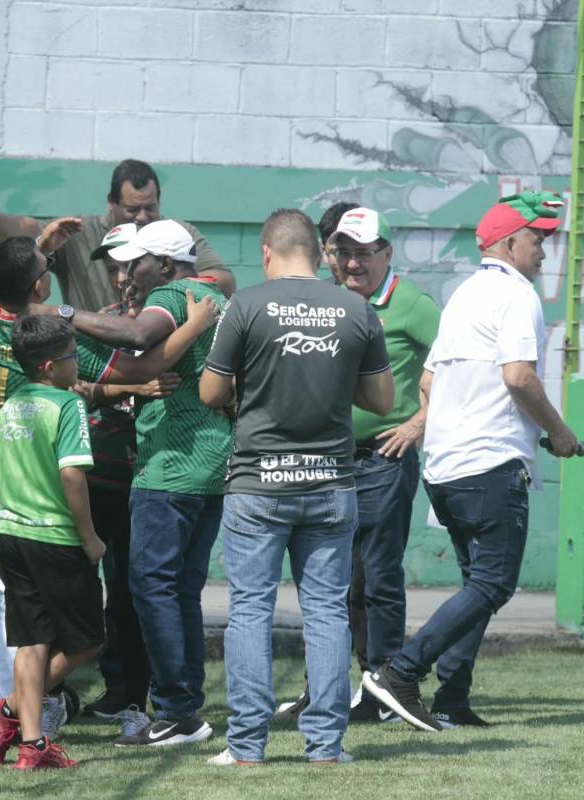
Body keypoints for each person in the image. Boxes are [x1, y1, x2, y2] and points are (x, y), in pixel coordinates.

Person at [0, 229, 219, 765]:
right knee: (18, 618)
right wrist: (193, 326)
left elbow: (7, 275)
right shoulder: (50, 337)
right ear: (41, 284)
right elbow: (144, 367)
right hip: (12, 501)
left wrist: (40, 247)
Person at [363, 190, 580, 732]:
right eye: (537, 239)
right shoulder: (516, 295)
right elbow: (519, 377)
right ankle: (400, 674)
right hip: (489, 465)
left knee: (475, 584)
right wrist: (559, 432)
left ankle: (452, 698)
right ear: (509, 244)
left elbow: (432, 380)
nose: (544, 251)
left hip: (445, 467)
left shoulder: (463, 294)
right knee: (493, 584)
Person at [198, 209, 394, 766]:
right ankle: (326, 747)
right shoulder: (357, 309)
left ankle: (246, 748)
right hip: (331, 482)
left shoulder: (246, 306)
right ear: (320, 252)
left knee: (251, 611)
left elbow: (211, 392)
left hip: (258, 484)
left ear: (267, 252)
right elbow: (382, 401)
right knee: (329, 612)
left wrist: (254, 387)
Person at [43, 219, 232, 747]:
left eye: (137, 262)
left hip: (168, 469)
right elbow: (139, 364)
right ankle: (183, 708)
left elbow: (139, 339)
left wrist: (57, 311)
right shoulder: (211, 300)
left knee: (149, 586)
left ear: (164, 266)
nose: (126, 273)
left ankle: (173, 710)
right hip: (208, 466)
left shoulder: (172, 296)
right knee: (179, 592)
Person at [277, 208, 441, 723]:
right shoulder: (325, 301)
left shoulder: (412, 305)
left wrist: (419, 423)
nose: (353, 263)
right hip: (323, 458)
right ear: (328, 254)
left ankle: (383, 687)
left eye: (364, 253)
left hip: (382, 460)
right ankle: (322, 688)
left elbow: (461, 367)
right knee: (326, 579)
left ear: (387, 254)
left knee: (377, 576)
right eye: (343, 252)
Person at [0, 315, 107, 771]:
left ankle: (32, 744)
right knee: (88, 641)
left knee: (32, 640)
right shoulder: (66, 406)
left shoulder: (12, 402)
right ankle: (8, 710)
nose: (78, 363)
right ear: (47, 368)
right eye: (72, 356)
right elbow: (71, 475)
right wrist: (89, 537)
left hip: (11, 535)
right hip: (55, 538)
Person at [74, 223, 160, 727]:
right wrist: (129, 388)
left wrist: (142, 386)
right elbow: (76, 384)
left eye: (128, 265)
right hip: (94, 477)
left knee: (134, 590)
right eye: (113, 266)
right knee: (85, 588)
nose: (120, 276)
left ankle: (135, 692)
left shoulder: (167, 324)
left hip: (147, 478)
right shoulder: (98, 323)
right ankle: (103, 688)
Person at [0, 158, 235, 310]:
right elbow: (29, 234)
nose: (142, 217)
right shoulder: (78, 234)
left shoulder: (177, 233)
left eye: (150, 208)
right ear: (112, 201)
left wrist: (168, 292)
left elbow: (224, 281)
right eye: (133, 209)